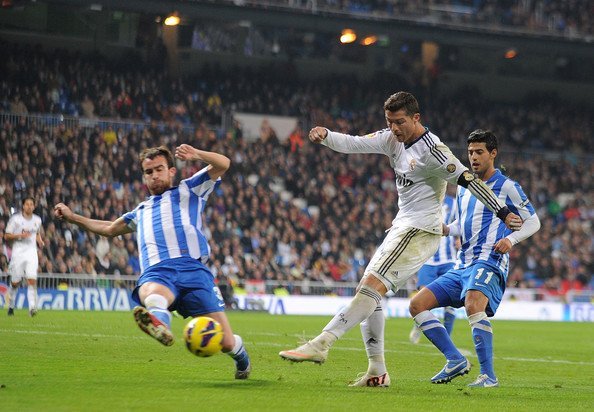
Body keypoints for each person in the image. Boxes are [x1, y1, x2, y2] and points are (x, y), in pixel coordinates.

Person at [279, 92, 523, 388]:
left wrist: (502, 210)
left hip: (421, 231)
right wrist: (327, 135)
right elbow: (355, 143)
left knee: (370, 288)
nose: (394, 128)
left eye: (400, 122)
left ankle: (322, 342)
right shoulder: (391, 139)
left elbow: (469, 182)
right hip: (401, 227)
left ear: (416, 118)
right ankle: (377, 371)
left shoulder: (434, 151)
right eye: (390, 121)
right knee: (369, 292)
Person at [54, 144, 251, 379]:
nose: (154, 175)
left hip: (193, 270)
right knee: (152, 290)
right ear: (144, 177)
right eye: (149, 172)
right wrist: (72, 217)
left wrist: (196, 155)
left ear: (171, 171)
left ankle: (241, 358)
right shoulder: (140, 211)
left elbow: (223, 163)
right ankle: (161, 323)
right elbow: (108, 228)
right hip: (158, 271)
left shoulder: (190, 190)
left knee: (226, 341)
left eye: (159, 169)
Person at [409, 129, 541, 387]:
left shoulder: (508, 187)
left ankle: (488, 376)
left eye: (479, 152)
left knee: (473, 304)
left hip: (489, 261)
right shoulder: (465, 188)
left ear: (493, 154)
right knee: (416, 305)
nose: (473, 158)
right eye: (470, 152)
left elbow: (533, 222)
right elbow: (462, 223)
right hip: (462, 264)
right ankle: (454, 359)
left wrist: (510, 240)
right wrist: (446, 229)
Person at [409, 192, 459, 344]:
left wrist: (460, 239)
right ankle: (418, 325)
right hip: (428, 259)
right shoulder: (424, 201)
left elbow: (462, 223)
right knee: (423, 298)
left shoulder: (455, 203)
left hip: (448, 259)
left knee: (451, 301)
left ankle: (447, 339)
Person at [5, 197, 45, 316]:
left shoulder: (37, 220)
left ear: (34, 206)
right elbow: (7, 236)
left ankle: (32, 308)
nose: (29, 206)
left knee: (32, 279)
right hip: (18, 252)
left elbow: (36, 233)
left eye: (31, 204)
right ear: (23, 206)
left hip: (32, 252)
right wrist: (20, 235)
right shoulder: (15, 219)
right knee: (15, 282)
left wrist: (40, 241)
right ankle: (11, 305)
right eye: (27, 204)